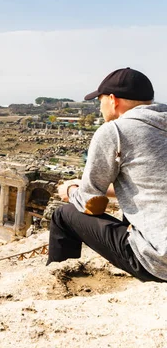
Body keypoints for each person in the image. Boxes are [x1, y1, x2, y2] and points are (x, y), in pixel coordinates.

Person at [47, 67, 167, 282]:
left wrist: (71, 190)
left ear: (113, 100)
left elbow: (91, 203)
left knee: (63, 215)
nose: (100, 107)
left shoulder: (116, 131)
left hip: (159, 263)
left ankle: (57, 283)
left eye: (99, 101)